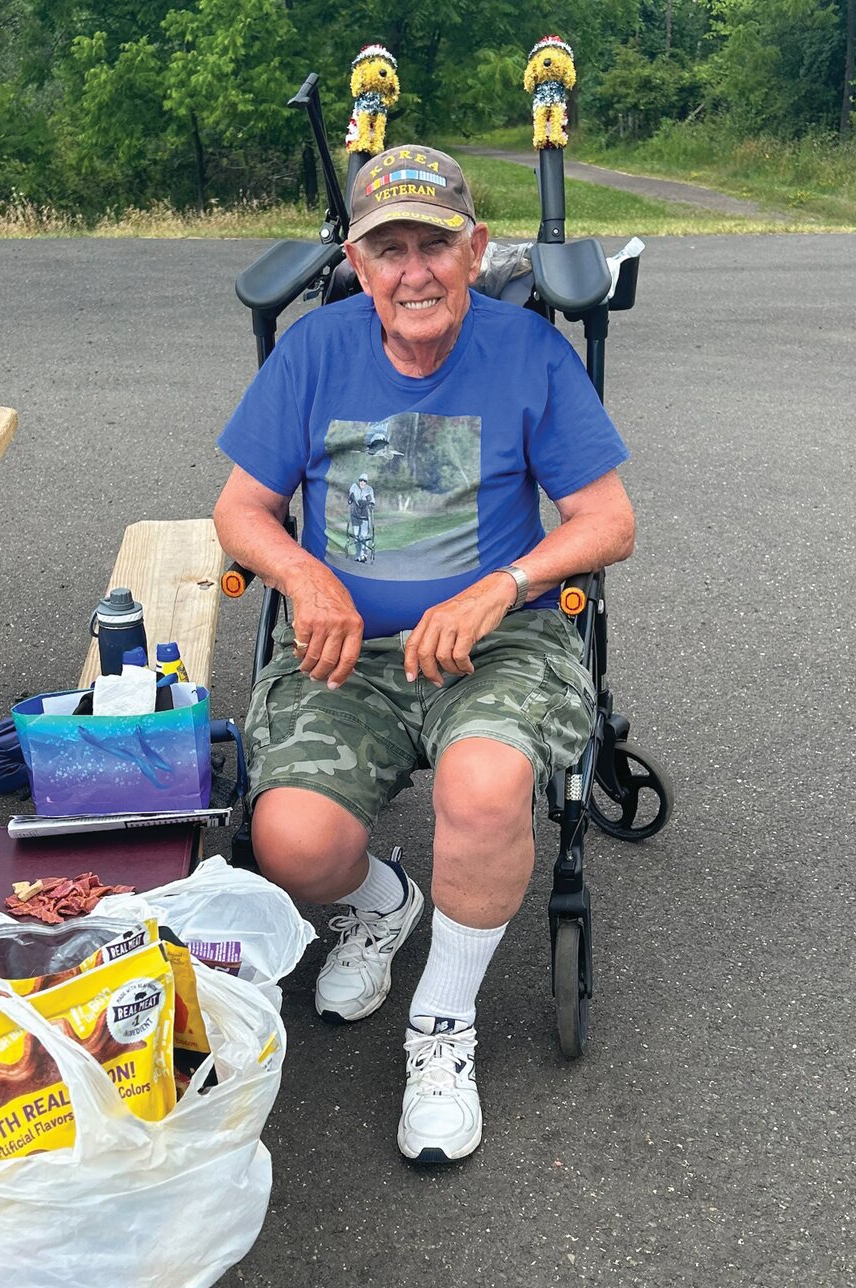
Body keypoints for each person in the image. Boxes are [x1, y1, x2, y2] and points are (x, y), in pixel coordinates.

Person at [214, 145, 634, 1164]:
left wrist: (504, 584)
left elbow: (608, 520)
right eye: (387, 249)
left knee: (486, 788)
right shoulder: (313, 353)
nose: (414, 272)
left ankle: (442, 1024)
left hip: (498, 642)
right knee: (293, 842)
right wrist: (308, 577)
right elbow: (241, 510)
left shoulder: (529, 355)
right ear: (359, 265)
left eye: (434, 246)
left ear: (473, 250)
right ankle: (383, 906)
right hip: (344, 650)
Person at [347, 473, 376, 561]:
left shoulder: (369, 489)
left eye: (364, 481)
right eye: (361, 480)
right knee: (356, 535)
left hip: (365, 515)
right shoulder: (354, 487)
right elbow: (351, 496)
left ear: (366, 482)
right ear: (359, 481)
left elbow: (372, 500)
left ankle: (363, 554)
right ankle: (358, 555)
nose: (362, 482)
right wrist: (350, 499)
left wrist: (371, 503)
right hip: (355, 514)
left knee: (363, 536)